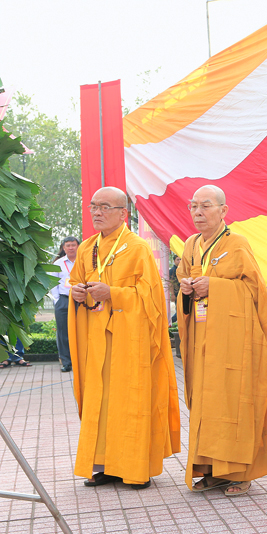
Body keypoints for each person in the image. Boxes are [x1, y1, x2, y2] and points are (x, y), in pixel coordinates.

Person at [68, 186, 181, 489]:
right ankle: (105, 465)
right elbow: (77, 282)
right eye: (94, 206)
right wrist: (77, 292)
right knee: (101, 401)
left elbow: (151, 297)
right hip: (97, 339)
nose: (97, 212)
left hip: (130, 339)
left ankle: (134, 468)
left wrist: (113, 294)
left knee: (130, 400)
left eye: (105, 207)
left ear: (123, 213)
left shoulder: (137, 248)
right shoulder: (87, 248)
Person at [177, 185, 267, 496]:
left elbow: (254, 291)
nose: (198, 212)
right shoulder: (191, 245)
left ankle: (239, 473)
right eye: (193, 206)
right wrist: (186, 289)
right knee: (206, 403)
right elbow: (182, 280)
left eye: (205, 206)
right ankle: (212, 471)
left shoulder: (237, 244)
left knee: (233, 401)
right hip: (201, 338)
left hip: (233, 341)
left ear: (223, 211)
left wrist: (216, 287)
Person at [51, 236, 80, 372]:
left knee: (81, 330)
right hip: (63, 299)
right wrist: (57, 300)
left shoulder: (83, 261)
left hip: (81, 299)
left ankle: (80, 360)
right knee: (63, 332)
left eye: (73, 245)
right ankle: (66, 362)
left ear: (78, 246)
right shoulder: (58, 263)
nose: (71, 248)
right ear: (63, 248)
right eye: (68, 245)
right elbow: (52, 283)